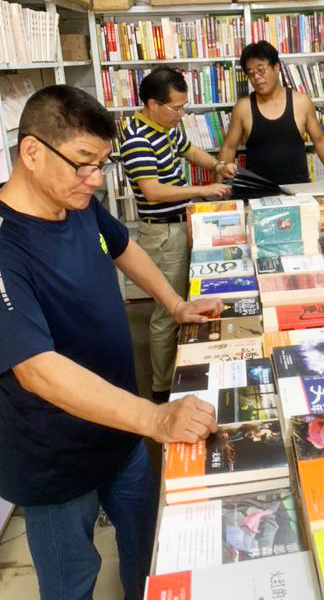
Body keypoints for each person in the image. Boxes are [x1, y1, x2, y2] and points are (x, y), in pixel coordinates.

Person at [0, 84, 225, 600]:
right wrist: (157, 419)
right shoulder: (6, 243)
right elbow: (36, 369)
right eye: (83, 163)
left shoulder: (76, 200)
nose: (96, 179)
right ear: (32, 152)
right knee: (71, 582)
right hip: (56, 458)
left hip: (121, 431)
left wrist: (176, 304)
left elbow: (123, 248)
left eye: (102, 164)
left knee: (149, 554)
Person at [120, 66, 237, 402]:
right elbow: (153, 191)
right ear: (152, 104)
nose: (181, 114)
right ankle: (161, 387)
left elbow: (189, 150)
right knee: (166, 312)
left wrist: (217, 165)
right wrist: (201, 190)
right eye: (176, 108)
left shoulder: (165, 126)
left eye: (184, 107)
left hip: (178, 226)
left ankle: (178, 372)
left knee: (182, 301)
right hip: (162, 234)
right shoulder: (137, 138)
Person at [218, 40, 324, 185]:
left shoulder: (301, 102)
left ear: (276, 67)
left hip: (298, 189)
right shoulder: (243, 107)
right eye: (251, 73)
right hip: (258, 191)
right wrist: (219, 187)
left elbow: (319, 141)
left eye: (261, 70)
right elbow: (229, 147)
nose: (256, 77)